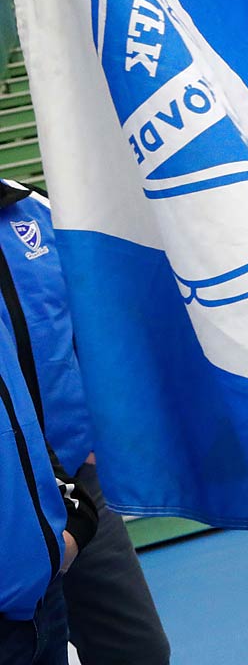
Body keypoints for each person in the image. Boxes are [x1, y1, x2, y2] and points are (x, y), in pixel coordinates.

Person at [1, 183, 170, 665]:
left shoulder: (35, 214)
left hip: (78, 485)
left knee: (139, 651)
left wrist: (98, 440)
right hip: (9, 504)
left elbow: (98, 332)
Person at [1, 229, 99, 665]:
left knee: (142, 648)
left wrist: (74, 520)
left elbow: (20, 421)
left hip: (42, 591)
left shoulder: (35, 217)